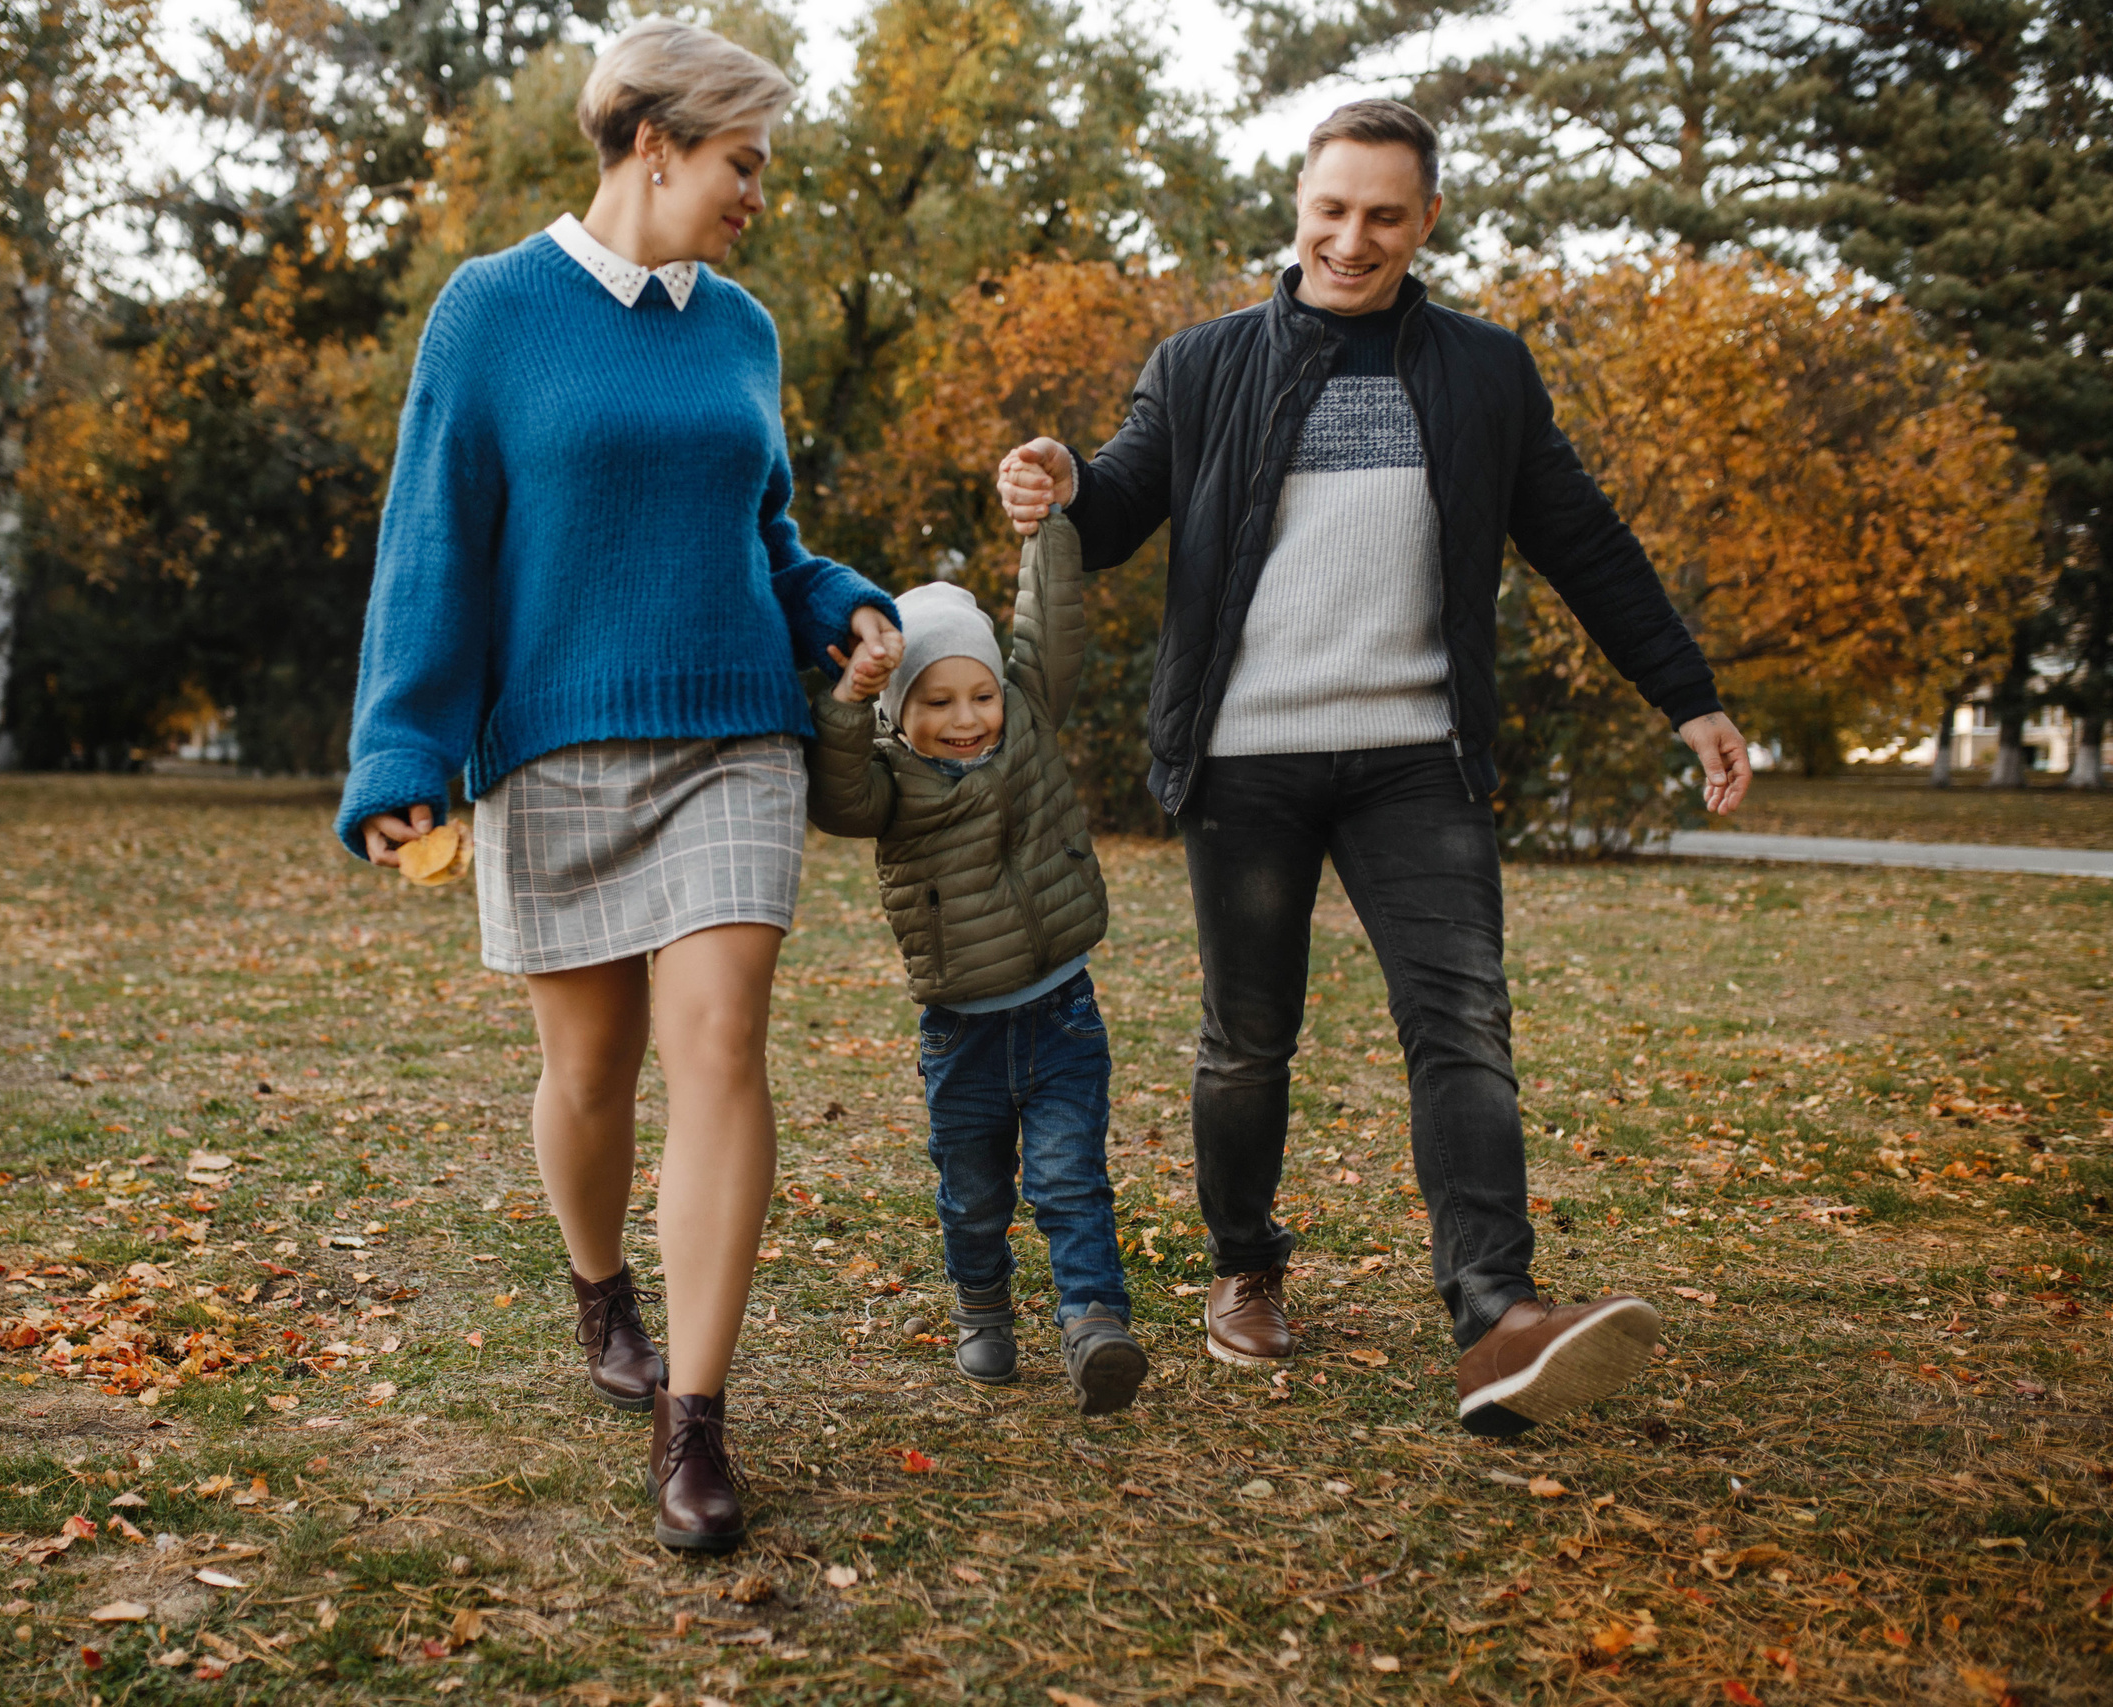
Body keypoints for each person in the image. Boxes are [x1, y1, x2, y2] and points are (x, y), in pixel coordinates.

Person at [993, 99, 1754, 1438]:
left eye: (1385, 216)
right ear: (1298, 206)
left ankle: (1497, 1313)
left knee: (1462, 1023)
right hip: (1246, 757)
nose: (1353, 240)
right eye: (1332, 210)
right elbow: (1114, 509)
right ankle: (1245, 1264)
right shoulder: (1202, 364)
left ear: (1427, 221)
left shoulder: (1483, 371)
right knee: (1248, 1042)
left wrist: (1686, 697)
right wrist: (1055, 478)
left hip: (1419, 754)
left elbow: (1585, 541)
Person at [338, 17, 903, 1552]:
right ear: (653, 144)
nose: (757, 194)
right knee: (589, 1072)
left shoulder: (745, 330)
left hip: (734, 731)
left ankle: (695, 1416)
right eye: (743, 162)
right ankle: (602, 1287)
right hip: (558, 743)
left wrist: (835, 600)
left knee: (720, 1043)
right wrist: (401, 750)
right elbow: (434, 540)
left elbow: (767, 532)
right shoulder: (492, 313)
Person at [805, 512, 1146, 1415]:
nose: (967, 719)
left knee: (1072, 1174)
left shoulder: (1028, 719)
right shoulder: (888, 783)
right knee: (974, 1191)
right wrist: (847, 704)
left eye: (980, 694)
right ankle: (984, 1307)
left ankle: (1092, 1321)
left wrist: (1050, 526)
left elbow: (1052, 621)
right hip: (962, 1033)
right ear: (898, 713)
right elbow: (836, 796)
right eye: (937, 702)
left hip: (1062, 1010)